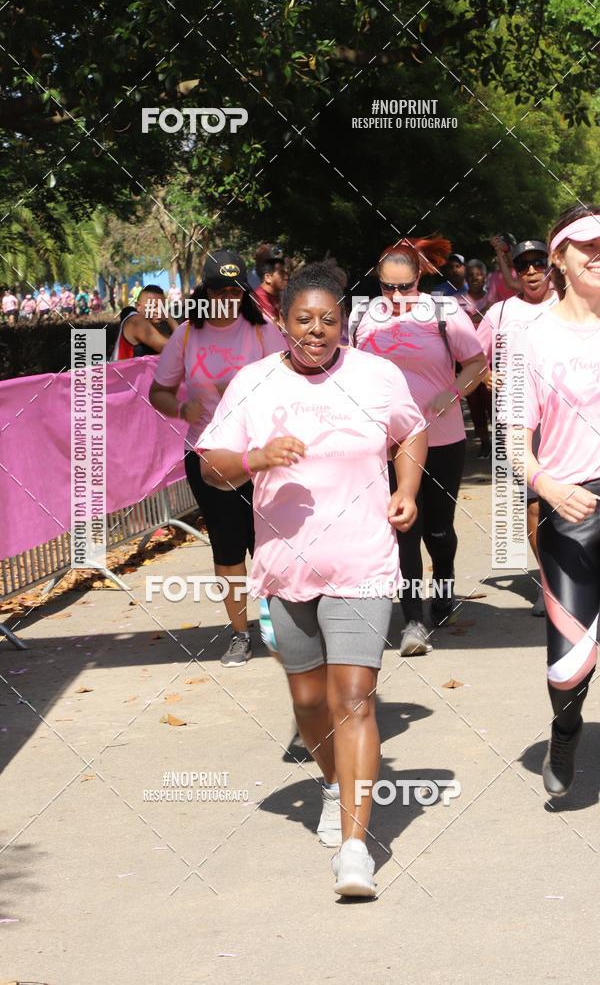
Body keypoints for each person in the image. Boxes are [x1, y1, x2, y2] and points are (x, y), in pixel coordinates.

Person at [198, 262, 427, 897]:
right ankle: (332, 786)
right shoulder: (253, 382)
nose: (317, 330)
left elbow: (411, 432)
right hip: (284, 565)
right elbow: (213, 469)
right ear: (281, 322)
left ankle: (356, 850)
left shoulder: (377, 376)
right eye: (304, 319)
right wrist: (254, 459)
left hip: (362, 560)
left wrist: (406, 490)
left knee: (353, 697)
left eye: (329, 319)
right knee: (309, 705)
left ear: (344, 323)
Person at [149, 250, 286, 667]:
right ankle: (240, 634)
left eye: (234, 289)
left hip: (261, 455)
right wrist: (179, 408)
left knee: (269, 544)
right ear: (204, 291)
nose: (227, 296)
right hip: (208, 456)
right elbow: (160, 392)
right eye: (218, 289)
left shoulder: (262, 332)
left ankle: (278, 624)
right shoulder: (187, 335)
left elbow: (292, 382)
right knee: (228, 549)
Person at [352, 238, 486, 653]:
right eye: (387, 287)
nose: (395, 297)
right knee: (403, 528)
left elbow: (477, 363)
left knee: (438, 529)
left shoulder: (445, 312)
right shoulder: (362, 316)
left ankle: (443, 581)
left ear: (419, 279)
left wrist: (451, 395)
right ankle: (412, 620)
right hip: (386, 444)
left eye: (405, 287)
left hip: (442, 436)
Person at [520, 204, 600, 797]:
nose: (597, 256)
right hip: (572, 507)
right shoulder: (532, 338)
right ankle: (567, 726)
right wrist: (545, 486)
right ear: (560, 258)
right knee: (569, 666)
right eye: (586, 247)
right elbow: (510, 441)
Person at [478, 238, 556, 614]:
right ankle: (550, 584)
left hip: (569, 419)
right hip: (518, 419)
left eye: (538, 264)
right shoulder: (499, 313)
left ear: (550, 265)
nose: (531, 272)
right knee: (534, 506)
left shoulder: (571, 306)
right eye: (523, 266)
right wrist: (486, 374)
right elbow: (472, 357)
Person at [461, 260, 493, 459]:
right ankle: (484, 444)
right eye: (470, 274)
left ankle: (501, 446)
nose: (474, 278)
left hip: (493, 363)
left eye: (478, 274)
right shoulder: (458, 301)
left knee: (495, 405)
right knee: (475, 406)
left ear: (484, 276)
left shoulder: (494, 298)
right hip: (468, 364)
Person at [111, 284, 176, 360]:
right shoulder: (137, 321)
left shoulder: (154, 325)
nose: (158, 311)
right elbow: (177, 350)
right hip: (122, 371)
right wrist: (169, 318)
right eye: (153, 306)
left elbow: (182, 342)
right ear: (138, 306)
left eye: (162, 307)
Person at [253, 244, 289, 321]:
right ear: (268, 278)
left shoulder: (279, 295)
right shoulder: (258, 299)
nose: (287, 277)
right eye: (281, 273)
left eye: (287, 273)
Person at [485, 234, 520, 307]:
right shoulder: (494, 276)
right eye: (499, 250)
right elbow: (490, 305)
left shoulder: (522, 270)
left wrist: (506, 249)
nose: (503, 254)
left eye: (506, 250)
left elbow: (511, 283)